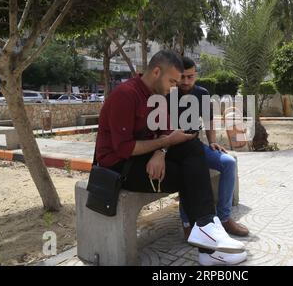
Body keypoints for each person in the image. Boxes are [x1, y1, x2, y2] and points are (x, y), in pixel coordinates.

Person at [95, 50, 247, 266]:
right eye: (172, 81)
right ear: (156, 72)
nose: (174, 87)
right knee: (188, 174)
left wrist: (161, 151)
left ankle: (206, 227)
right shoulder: (125, 95)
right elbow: (124, 149)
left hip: (145, 155)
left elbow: (166, 132)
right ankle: (207, 246)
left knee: (192, 146)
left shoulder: (158, 95)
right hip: (120, 167)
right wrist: (164, 144)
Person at [167, 56, 250, 240]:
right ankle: (187, 222)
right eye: (183, 77)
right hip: (172, 149)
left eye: (190, 77)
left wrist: (212, 141)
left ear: (196, 75)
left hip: (196, 146)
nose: (186, 81)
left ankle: (224, 218)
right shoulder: (168, 94)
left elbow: (209, 120)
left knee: (228, 162)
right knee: (186, 170)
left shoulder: (202, 93)